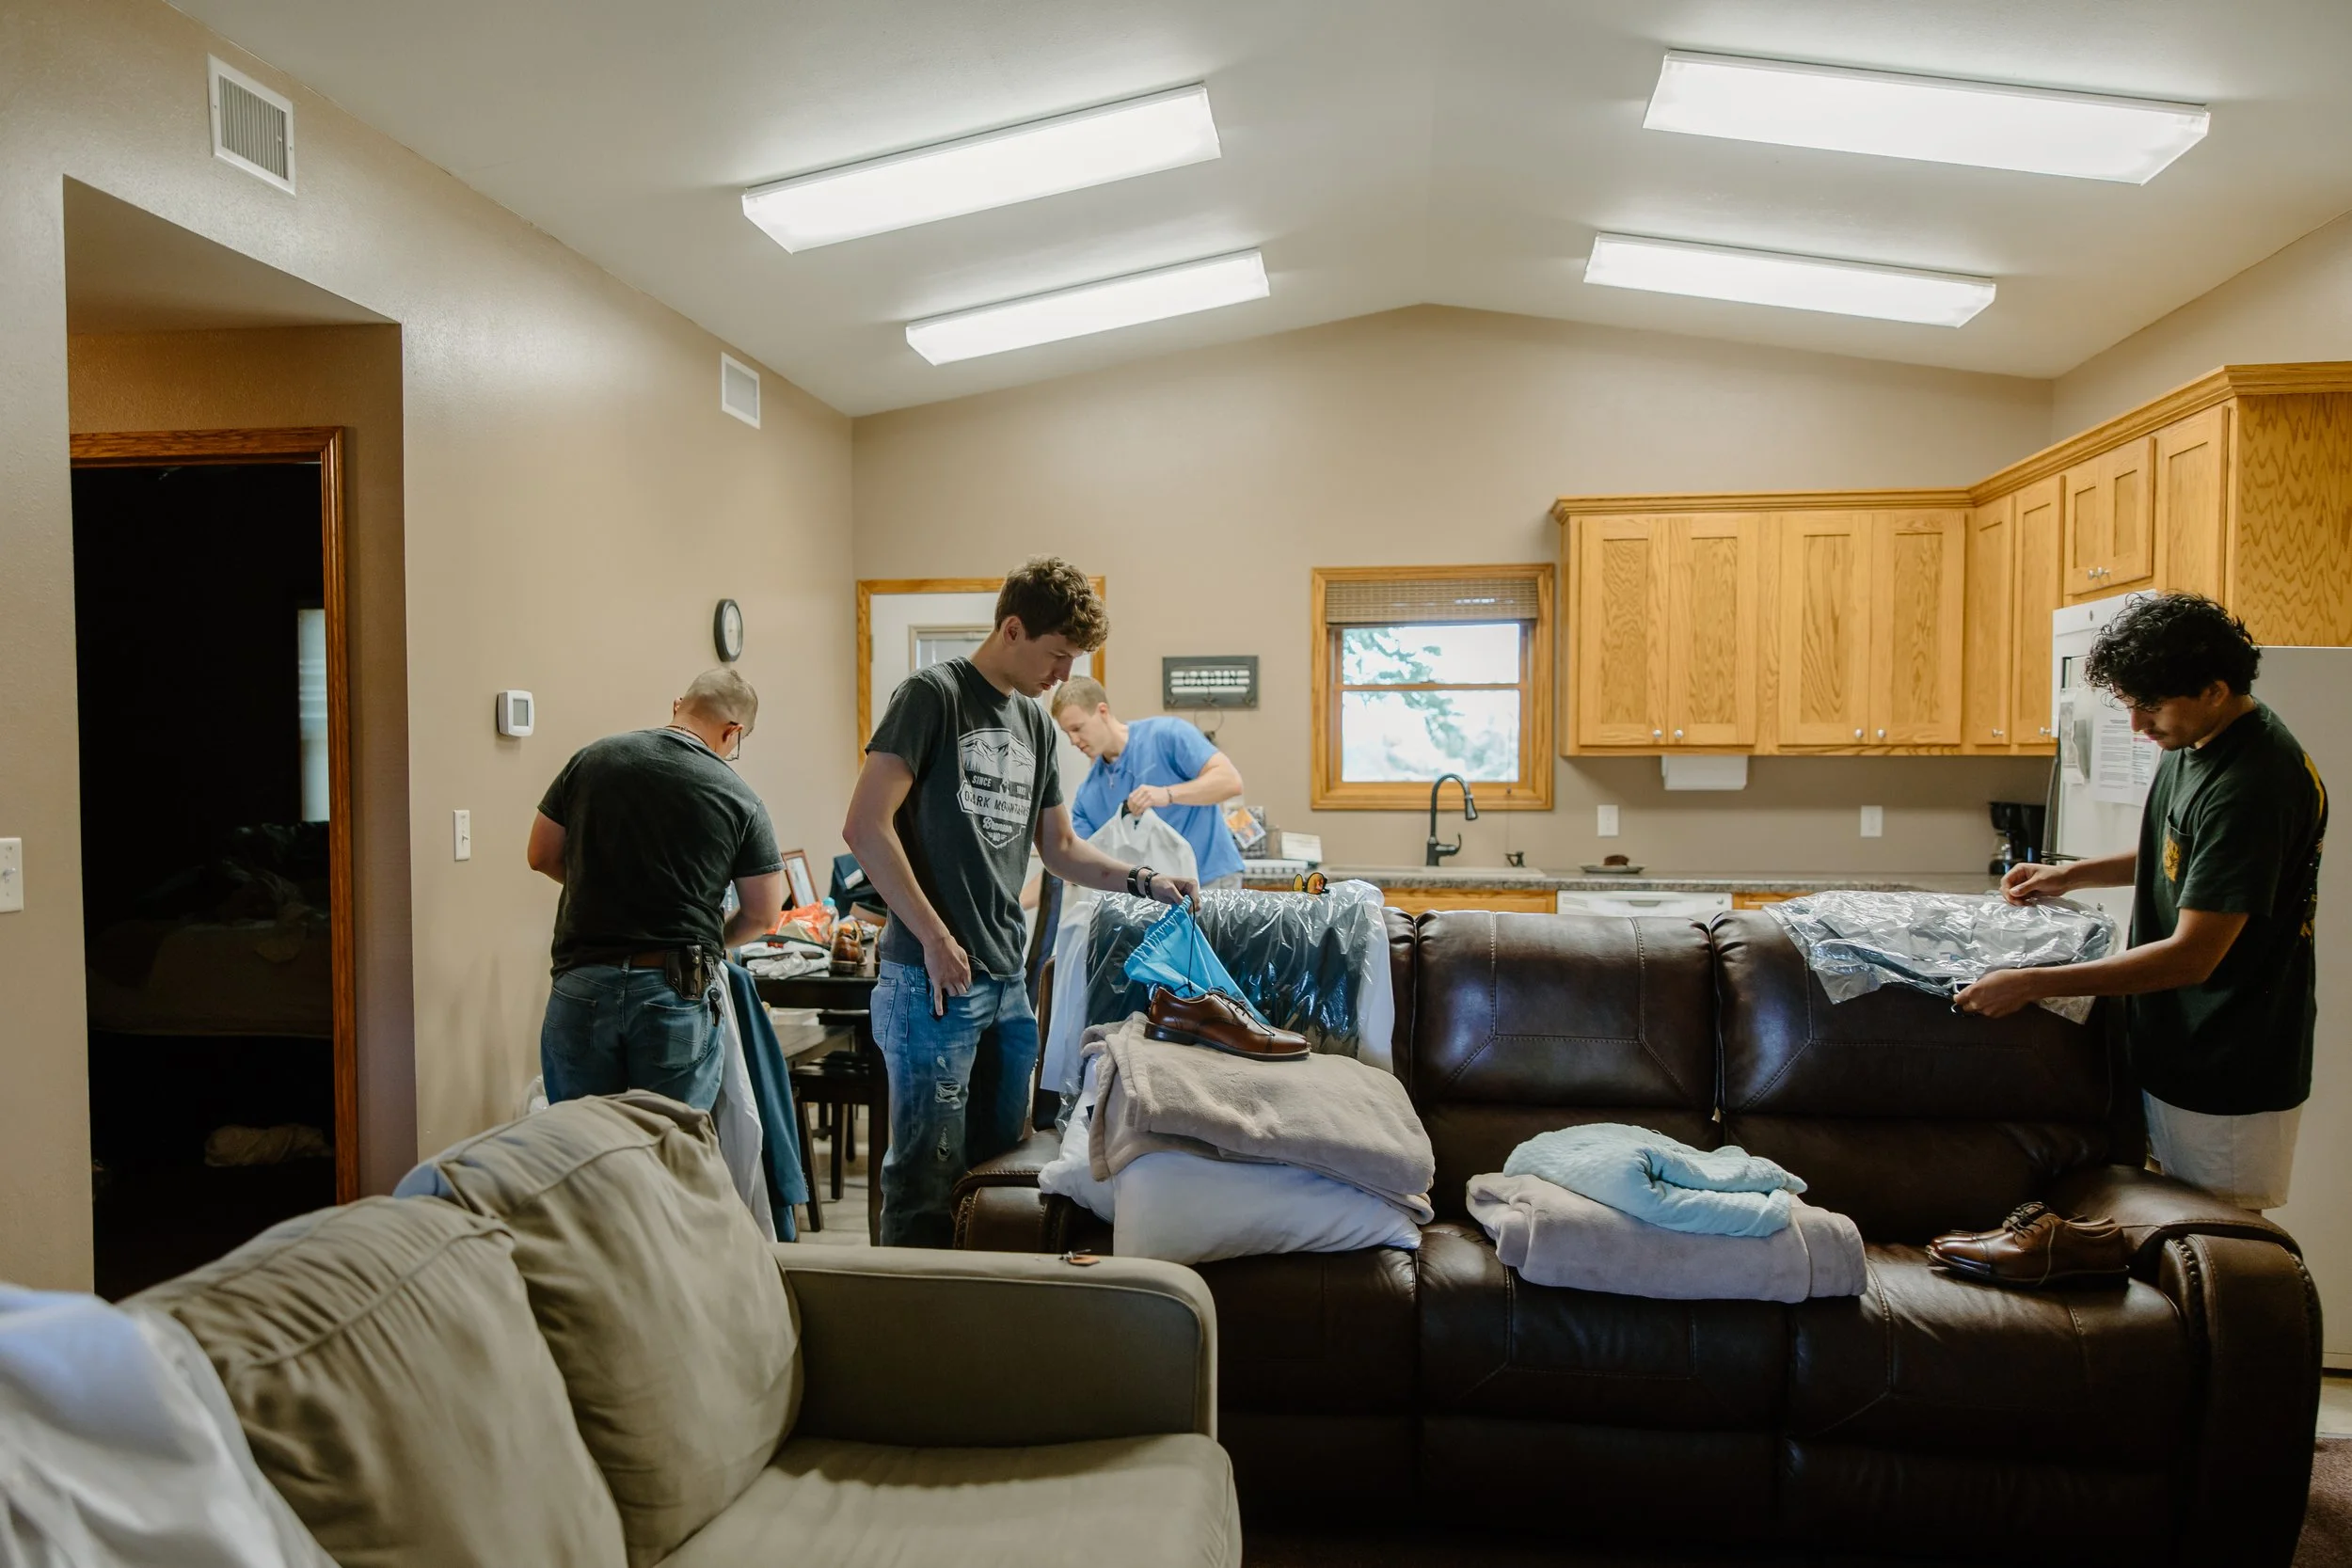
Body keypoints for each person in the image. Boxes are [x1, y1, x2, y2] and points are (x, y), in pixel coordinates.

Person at [843, 558, 1198, 1246]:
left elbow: (1060, 848)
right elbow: (864, 825)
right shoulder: (932, 697)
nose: (1063, 675)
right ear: (1012, 628)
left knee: (997, 1177)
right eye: (1057, 655)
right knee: (923, 1184)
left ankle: (982, 1325)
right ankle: (905, 1335)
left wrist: (1145, 880)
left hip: (1005, 984)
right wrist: (936, 937)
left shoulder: (1034, 727)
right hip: (930, 981)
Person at [1955, 594, 2325, 1211]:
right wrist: (2069, 876)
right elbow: (2177, 853)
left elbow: (2191, 957)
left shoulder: (2255, 784)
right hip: (2175, 1046)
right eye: (2130, 706)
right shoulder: (2198, 742)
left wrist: (2030, 982)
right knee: (2163, 1230)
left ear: (2212, 689)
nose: (2137, 727)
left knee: (2221, 1245)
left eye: (2149, 708)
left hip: (2230, 1067)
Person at [526, 668, 784, 1111]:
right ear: (733, 732)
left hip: (583, 979)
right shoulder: (740, 798)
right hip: (674, 986)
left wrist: (604, 887)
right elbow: (763, 913)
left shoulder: (592, 760)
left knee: (579, 1150)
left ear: (678, 706)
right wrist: (706, 937)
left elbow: (541, 854)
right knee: (668, 1153)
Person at [1051, 676, 1249, 890]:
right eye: (1066, 733)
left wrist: (1168, 794)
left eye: (1077, 728)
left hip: (1211, 880)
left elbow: (1230, 781)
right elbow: (1073, 861)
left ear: (1102, 712)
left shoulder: (1167, 736)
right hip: (1157, 896)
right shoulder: (1088, 795)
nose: (1073, 741)